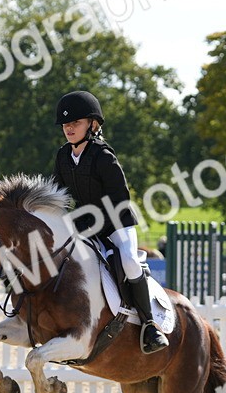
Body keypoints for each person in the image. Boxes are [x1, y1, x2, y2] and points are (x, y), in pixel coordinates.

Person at [51, 90, 167, 353]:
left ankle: (149, 325)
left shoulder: (103, 156)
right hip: (85, 225)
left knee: (128, 259)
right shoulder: (62, 157)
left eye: (75, 123)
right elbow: (58, 196)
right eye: (66, 125)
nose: (69, 128)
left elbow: (120, 198)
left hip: (117, 224)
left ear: (93, 125)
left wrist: (89, 224)